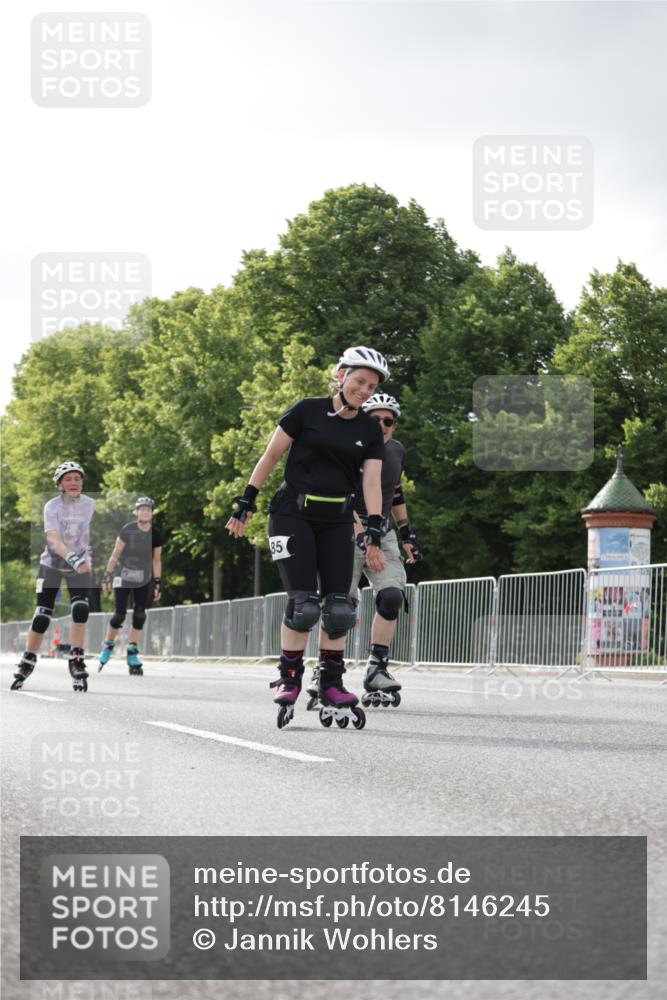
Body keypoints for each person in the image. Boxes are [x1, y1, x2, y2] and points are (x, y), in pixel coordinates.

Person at [225, 345, 390, 730]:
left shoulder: (369, 429)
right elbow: (270, 456)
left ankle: (331, 683)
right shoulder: (306, 410)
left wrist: (375, 530)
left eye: (371, 386)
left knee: (339, 609)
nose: (364, 391)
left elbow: (370, 481)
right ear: (340, 374)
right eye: (359, 381)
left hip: (336, 519)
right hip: (291, 515)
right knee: (304, 606)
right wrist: (246, 500)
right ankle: (290, 676)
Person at [345, 393, 422, 706]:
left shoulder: (396, 450)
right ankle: (327, 670)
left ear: (395, 425)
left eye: (388, 420)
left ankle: (377, 668)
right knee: (339, 608)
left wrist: (407, 534)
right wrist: (364, 537)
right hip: (346, 530)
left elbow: (396, 492)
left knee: (391, 596)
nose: (382, 425)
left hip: (384, 533)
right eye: (375, 419)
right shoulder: (347, 448)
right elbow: (339, 495)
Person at [11, 461, 95, 693]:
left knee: (80, 609)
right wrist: (74, 558)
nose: (73, 483)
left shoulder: (89, 504)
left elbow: (83, 534)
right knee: (42, 616)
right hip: (52, 564)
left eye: (77, 478)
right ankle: (28, 658)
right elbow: (54, 540)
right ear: (59, 484)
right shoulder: (51, 506)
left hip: (78, 563)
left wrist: (86, 556)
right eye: (68, 479)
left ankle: (76, 658)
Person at [98, 497, 163, 675]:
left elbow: (156, 560)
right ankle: (107, 646)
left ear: (152, 512)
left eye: (148, 510)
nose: (144, 512)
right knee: (119, 615)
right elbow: (115, 553)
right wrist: (107, 575)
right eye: (141, 509)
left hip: (143, 578)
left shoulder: (155, 534)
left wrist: (158, 583)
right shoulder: (127, 530)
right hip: (122, 575)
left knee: (140, 615)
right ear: (136, 512)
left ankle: (132, 652)